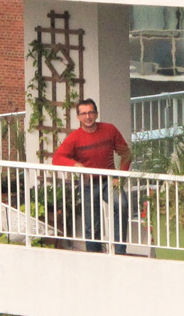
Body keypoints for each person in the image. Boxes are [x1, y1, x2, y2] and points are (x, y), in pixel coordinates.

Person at [51, 98, 132, 254]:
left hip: (110, 180)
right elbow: (57, 158)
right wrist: (75, 165)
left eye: (90, 112)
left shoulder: (109, 130)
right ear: (78, 117)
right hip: (88, 183)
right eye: (83, 113)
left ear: (96, 114)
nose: (87, 116)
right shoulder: (75, 138)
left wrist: (119, 176)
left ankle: (120, 251)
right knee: (91, 224)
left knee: (121, 205)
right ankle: (94, 256)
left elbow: (126, 153)